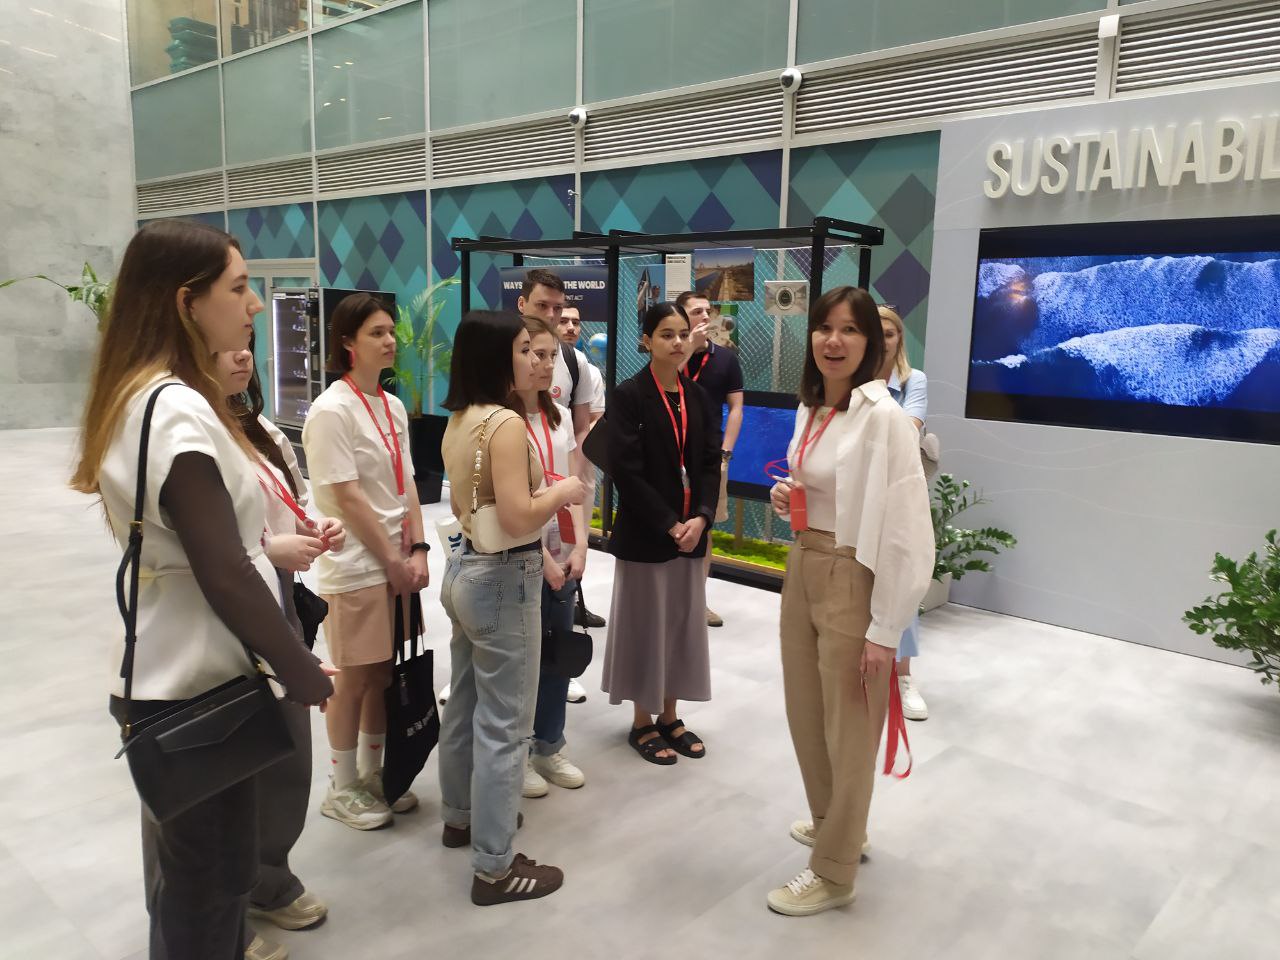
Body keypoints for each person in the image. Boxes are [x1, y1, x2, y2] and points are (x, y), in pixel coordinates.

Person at [72, 219, 332, 959]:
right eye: (239, 288)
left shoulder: (146, 397)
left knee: (203, 885)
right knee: (207, 894)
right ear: (187, 302)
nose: (254, 306)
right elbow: (225, 570)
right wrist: (301, 668)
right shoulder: (175, 408)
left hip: (182, 673)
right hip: (195, 687)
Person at [767, 286, 934, 917]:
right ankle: (834, 823)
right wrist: (791, 496)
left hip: (851, 572)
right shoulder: (814, 407)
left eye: (850, 330)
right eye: (823, 327)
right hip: (804, 561)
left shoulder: (883, 416)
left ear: (872, 344)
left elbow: (907, 529)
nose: (833, 341)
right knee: (807, 712)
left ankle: (834, 872)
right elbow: (824, 486)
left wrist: (886, 629)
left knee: (850, 726)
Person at [438, 310, 584, 906]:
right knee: (506, 724)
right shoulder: (503, 423)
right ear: (498, 357)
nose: (536, 360)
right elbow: (520, 514)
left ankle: (460, 816)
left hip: (464, 569)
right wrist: (564, 491)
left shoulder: (461, 417)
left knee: (465, 701)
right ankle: (495, 867)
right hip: (503, 577)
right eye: (525, 349)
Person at [214, 344, 345, 953]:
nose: (244, 352)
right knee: (227, 768)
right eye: (228, 342)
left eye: (247, 340)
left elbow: (294, 502)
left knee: (289, 750)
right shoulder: (186, 434)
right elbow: (197, 548)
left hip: (281, 601)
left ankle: (267, 878)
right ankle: (221, 915)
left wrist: (314, 528)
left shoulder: (262, 431)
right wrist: (269, 552)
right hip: (222, 615)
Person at [301, 293, 430, 831]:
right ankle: (341, 786)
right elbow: (347, 496)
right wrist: (392, 559)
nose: (390, 340)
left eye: (390, 330)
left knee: (382, 674)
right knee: (352, 679)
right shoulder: (332, 410)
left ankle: (376, 773)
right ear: (347, 343)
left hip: (396, 561)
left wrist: (418, 549)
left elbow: (408, 485)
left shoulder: (391, 406)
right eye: (376, 332)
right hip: (357, 564)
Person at [602, 303, 721, 764]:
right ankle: (641, 721)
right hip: (648, 531)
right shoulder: (629, 395)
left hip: (691, 532)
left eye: (683, 334)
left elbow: (708, 463)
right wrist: (670, 523)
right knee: (644, 624)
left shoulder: (698, 397)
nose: (677, 342)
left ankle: (670, 715)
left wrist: (702, 518)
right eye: (666, 334)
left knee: (678, 623)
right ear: (647, 340)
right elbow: (626, 472)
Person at [514, 315, 589, 800]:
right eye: (534, 354)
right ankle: (519, 752)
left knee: (558, 653)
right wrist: (540, 555)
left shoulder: (558, 417)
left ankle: (549, 744)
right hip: (523, 555)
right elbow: (512, 504)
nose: (544, 364)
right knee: (523, 659)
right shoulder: (504, 422)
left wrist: (580, 544)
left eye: (550, 356)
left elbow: (573, 485)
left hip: (564, 553)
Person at [519, 270, 608, 635]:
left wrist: (576, 477)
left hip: (566, 475)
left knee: (565, 569)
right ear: (522, 304)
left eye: (558, 308)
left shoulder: (574, 362)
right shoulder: (501, 358)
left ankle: (567, 618)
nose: (552, 316)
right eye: (543, 306)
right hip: (521, 502)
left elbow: (581, 425)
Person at [676, 290, 744, 628]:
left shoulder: (726, 359)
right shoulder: (673, 353)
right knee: (670, 522)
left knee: (704, 525)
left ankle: (697, 601)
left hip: (709, 457)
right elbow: (663, 384)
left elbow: (736, 408)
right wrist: (688, 347)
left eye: (707, 311)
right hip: (670, 452)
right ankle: (669, 596)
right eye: (696, 312)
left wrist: (725, 453)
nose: (705, 317)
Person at [878, 305, 931, 721]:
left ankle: (903, 676)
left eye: (889, 334)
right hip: (857, 497)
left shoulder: (914, 381)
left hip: (897, 497)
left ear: (899, 339)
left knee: (903, 583)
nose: (882, 341)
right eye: (874, 333)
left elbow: (907, 433)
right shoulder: (847, 382)